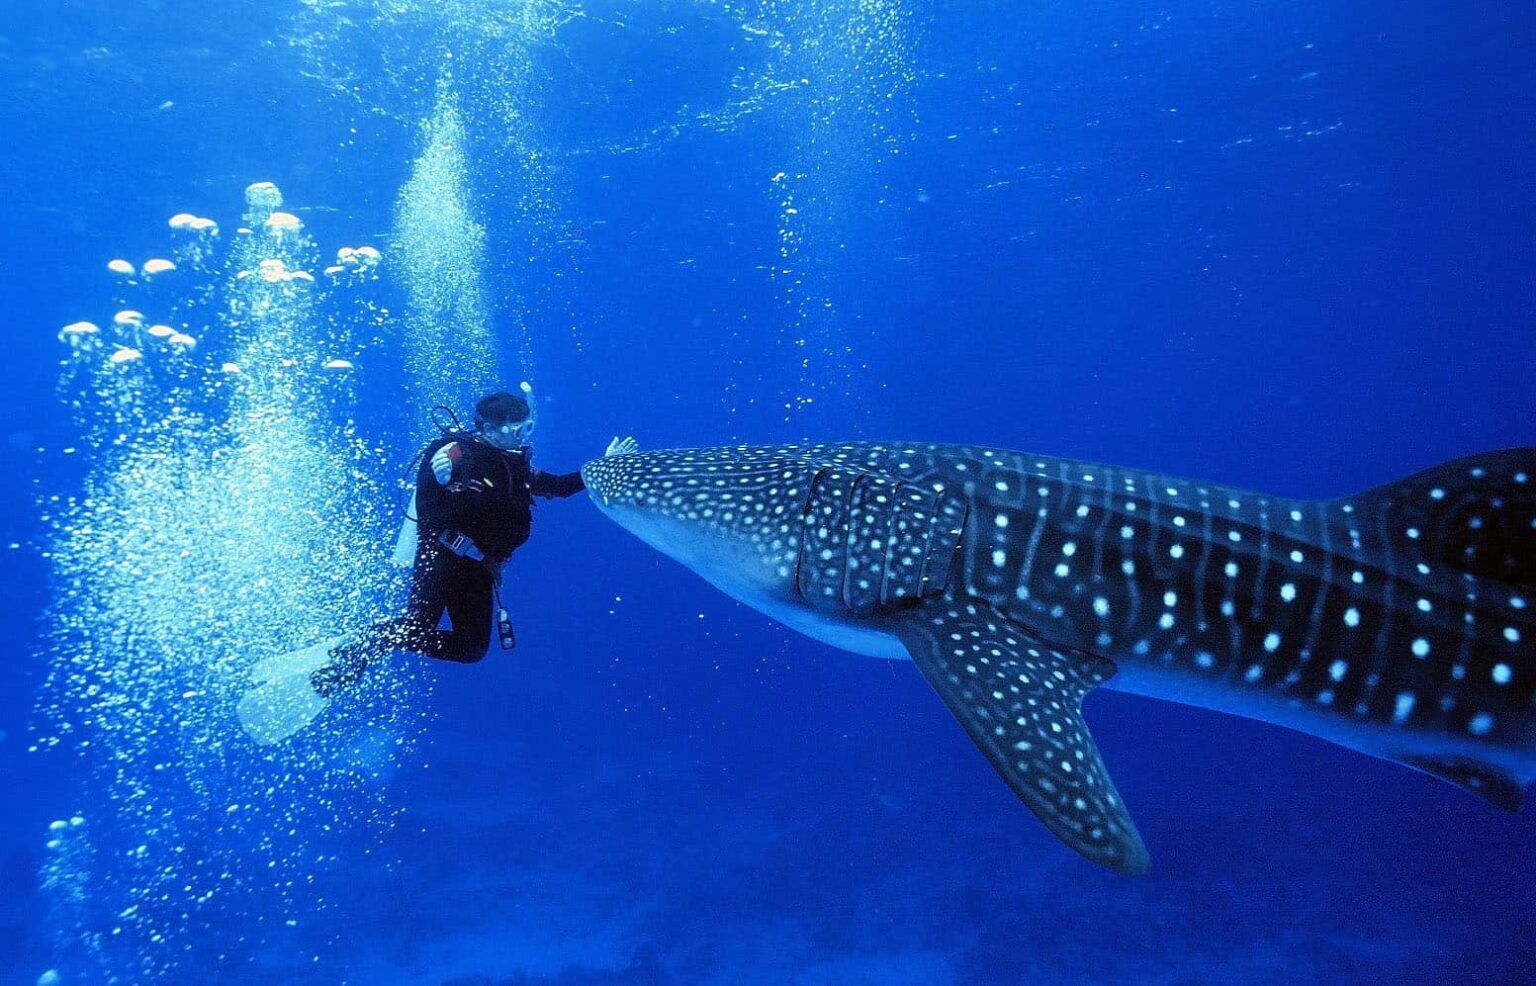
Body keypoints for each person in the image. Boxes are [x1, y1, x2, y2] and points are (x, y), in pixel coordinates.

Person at [237, 390, 636, 744]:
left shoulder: (514, 465)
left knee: (471, 650)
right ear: (486, 428)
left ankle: (380, 635)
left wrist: (604, 466)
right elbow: (430, 508)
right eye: (511, 431)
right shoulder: (455, 455)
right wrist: (440, 479)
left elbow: (561, 488)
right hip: (443, 560)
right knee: (416, 627)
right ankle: (349, 661)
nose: (520, 439)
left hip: (479, 570)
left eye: (526, 429)